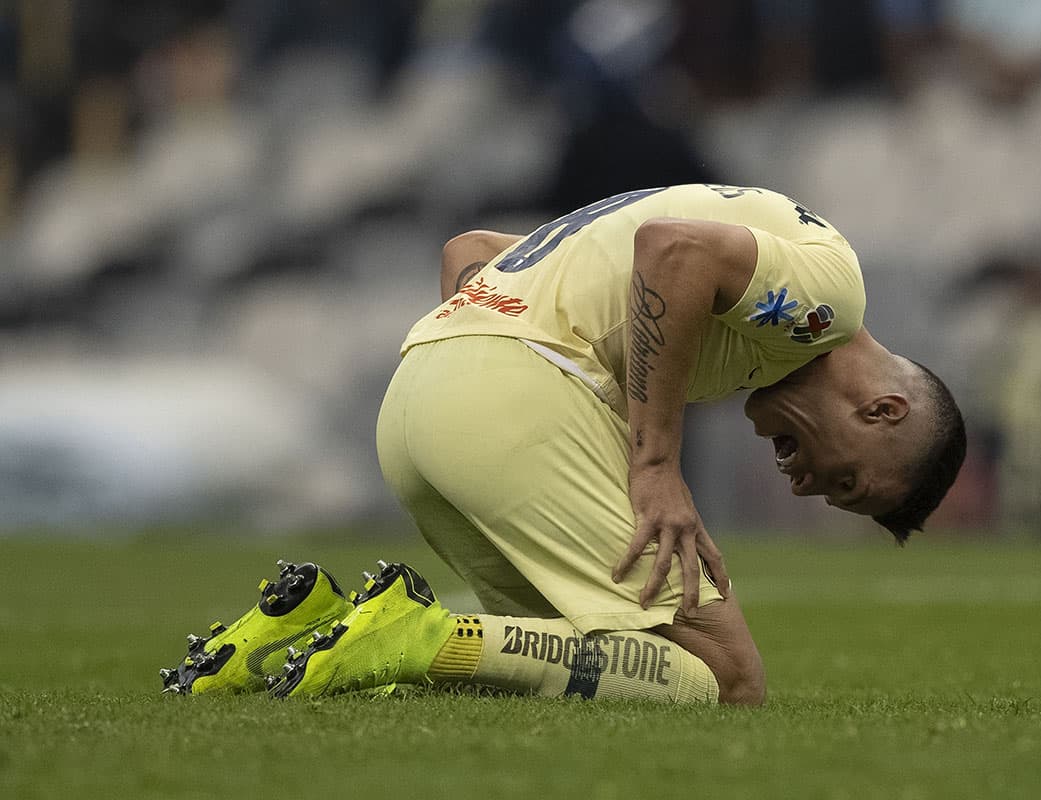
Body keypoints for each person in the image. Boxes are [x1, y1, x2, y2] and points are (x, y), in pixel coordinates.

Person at [161, 184, 966, 704]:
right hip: (514, 395)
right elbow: (673, 250)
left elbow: (470, 252)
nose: (807, 489)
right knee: (728, 681)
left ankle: (301, 632)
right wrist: (652, 467)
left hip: (417, 396)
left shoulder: (761, 309)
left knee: (565, 669)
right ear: (883, 410)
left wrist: (467, 389)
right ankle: (415, 628)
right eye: (848, 484)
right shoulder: (831, 299)